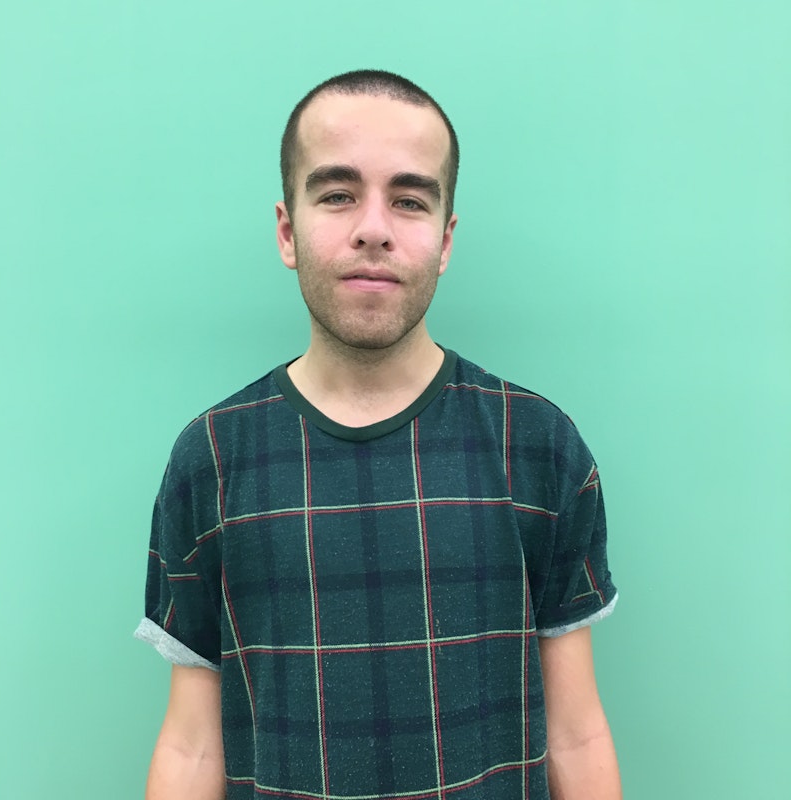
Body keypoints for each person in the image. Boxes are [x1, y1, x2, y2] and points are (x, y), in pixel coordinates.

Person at [135, 69, 621, 800]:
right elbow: (193, 744)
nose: (373, 226)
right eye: (336, 194)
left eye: (409, 198)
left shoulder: (540, 447)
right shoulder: (210, 459)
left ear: (445, 239)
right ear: (287, 231)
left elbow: (576, 733)